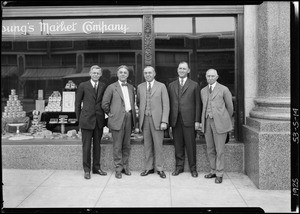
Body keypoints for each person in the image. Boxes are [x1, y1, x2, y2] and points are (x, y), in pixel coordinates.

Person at [101, 65, 136, 179]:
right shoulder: (111, 87)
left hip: (129, 117)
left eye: (125, 72)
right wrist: (110, 114)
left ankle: (125, 167)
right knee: (117, 146)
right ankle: (118, 169)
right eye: (121, 72)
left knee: (126, 145)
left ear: (128, 74)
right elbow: (104, 103)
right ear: (117, 74)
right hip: (116, 119)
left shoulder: (131, 87)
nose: (123, 74)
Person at [200, 68, 233, 184]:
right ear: (206, 77)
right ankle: (213, 170)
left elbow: (230, 108)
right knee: (210, 149)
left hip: (220, 123)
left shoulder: (224, 89)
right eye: (208, 76)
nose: (210, 78)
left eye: (212, 76)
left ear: (217, 77)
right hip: (207, 122)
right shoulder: (203, 91)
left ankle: (219, 173)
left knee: (220, 150)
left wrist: (224, 120)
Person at [168, 61, 201, 178]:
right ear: (177, 70)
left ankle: (193, 168)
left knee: (191, 146)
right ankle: (179, 167)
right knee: (178, 145)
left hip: (190, 120)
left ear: (188, 70)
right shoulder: (171, 85)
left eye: (184, 69)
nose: (181, 70)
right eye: (180, 68)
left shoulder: (194, 85)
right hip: (175, 120)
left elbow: (198, 104)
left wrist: (197, 121)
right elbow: (169, 104)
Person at [137, 66, 170, 179]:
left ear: (154, 73)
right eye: (145, 73)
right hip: (145, 120)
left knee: (158, 146)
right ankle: (149, 168)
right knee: (147, 146)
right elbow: (138, 103)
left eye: (150, 73)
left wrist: (164, 121)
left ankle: (160, 168)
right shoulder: (140, 87)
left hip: (158, 121)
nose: (148, 75)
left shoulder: (161, 86)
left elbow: (166, 105)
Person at [75, 65, 107, 179]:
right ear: (90, 73)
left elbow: (105, 103)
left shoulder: (103, 86)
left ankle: (97, 168)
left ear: (101, 74)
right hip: (86, 120)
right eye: (94, 73)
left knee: (97, 146)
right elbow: (77, 104)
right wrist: (79, 120)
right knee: (86, 146)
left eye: (98, 73)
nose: (96, 75)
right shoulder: (83, 85)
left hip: (99, 120)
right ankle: (87, 170)